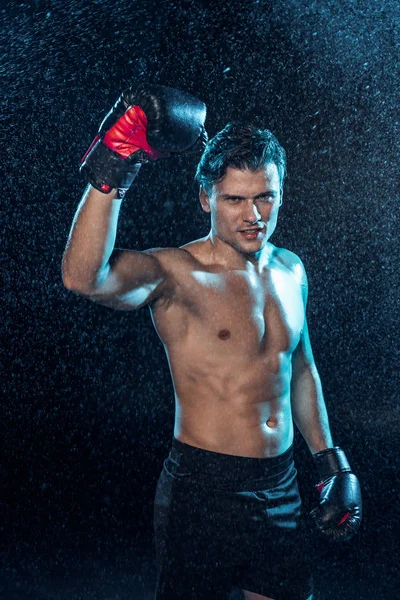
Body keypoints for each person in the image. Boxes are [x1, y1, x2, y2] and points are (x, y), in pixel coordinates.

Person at [62, 83, 362, 600]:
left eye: (266, 196)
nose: (254, 215)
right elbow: (83, 277)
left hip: (283, 484)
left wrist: (331, 461)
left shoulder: (292, 270)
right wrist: (115, 161)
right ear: (206, 198)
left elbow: (301, 370)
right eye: (236, 200)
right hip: (202, 492)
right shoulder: (176, 273)